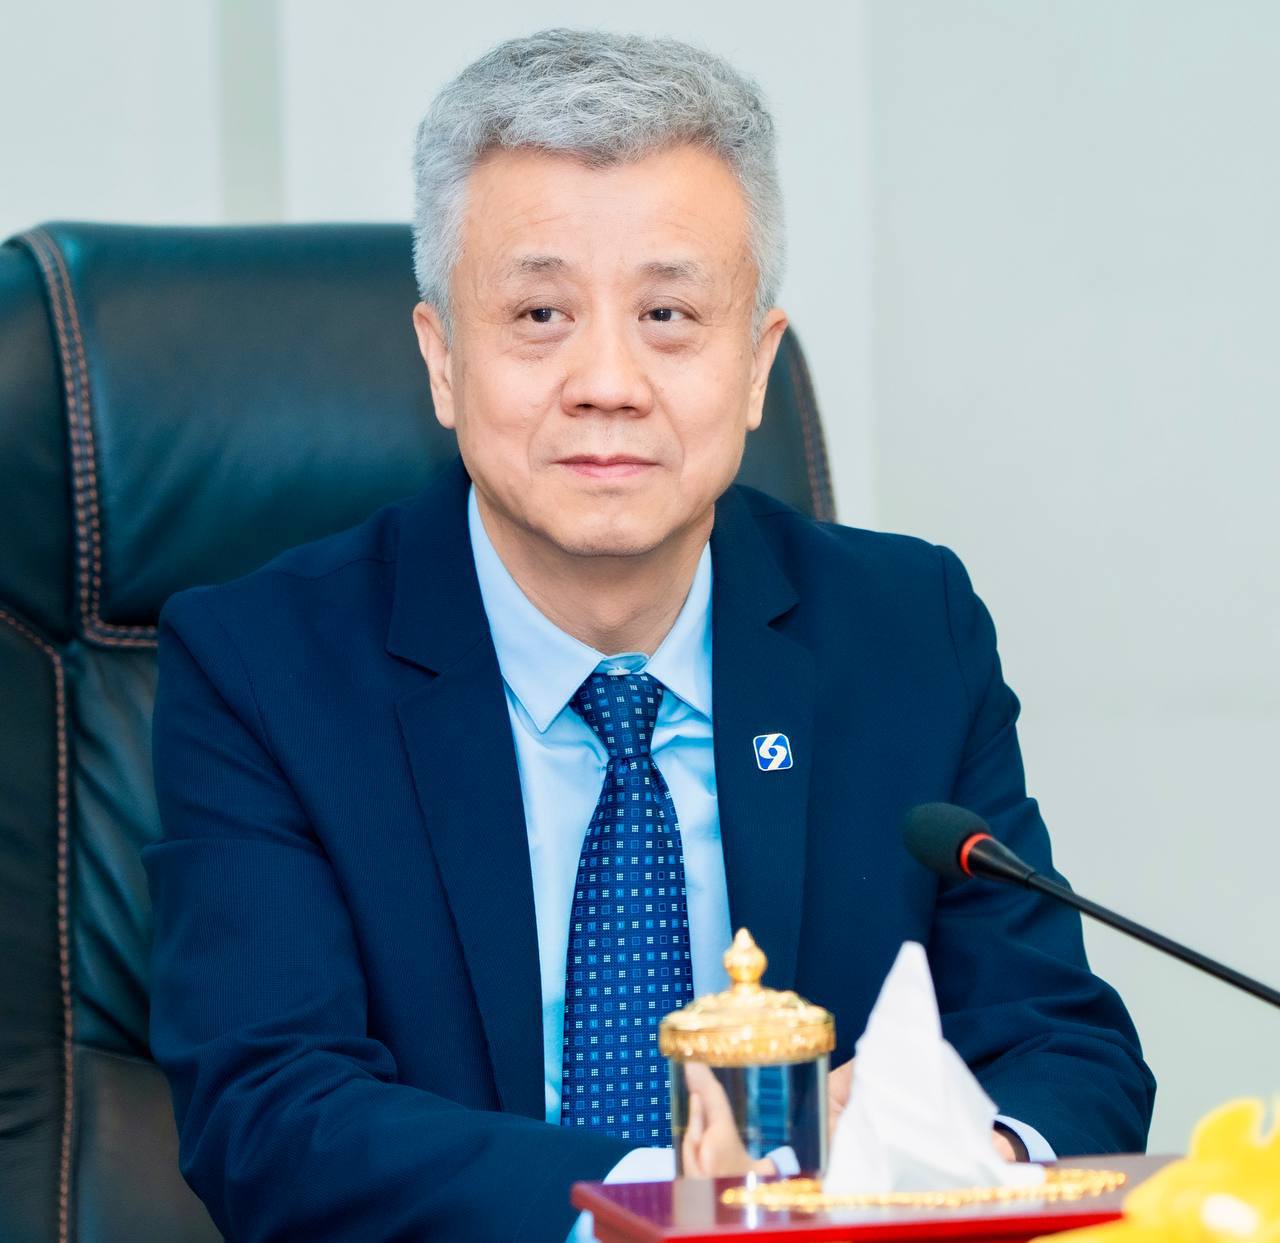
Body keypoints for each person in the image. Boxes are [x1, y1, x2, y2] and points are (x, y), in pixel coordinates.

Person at [143, 27, 1155, 1243]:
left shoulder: (905, 632)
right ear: (442, 359)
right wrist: (668, 1202)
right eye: (539, 313)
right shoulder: (264, 668)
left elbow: (1057, 1042)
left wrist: (951, 1160)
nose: (607, 381)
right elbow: (271, 1113)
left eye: (668, 314)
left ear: (754, 365)